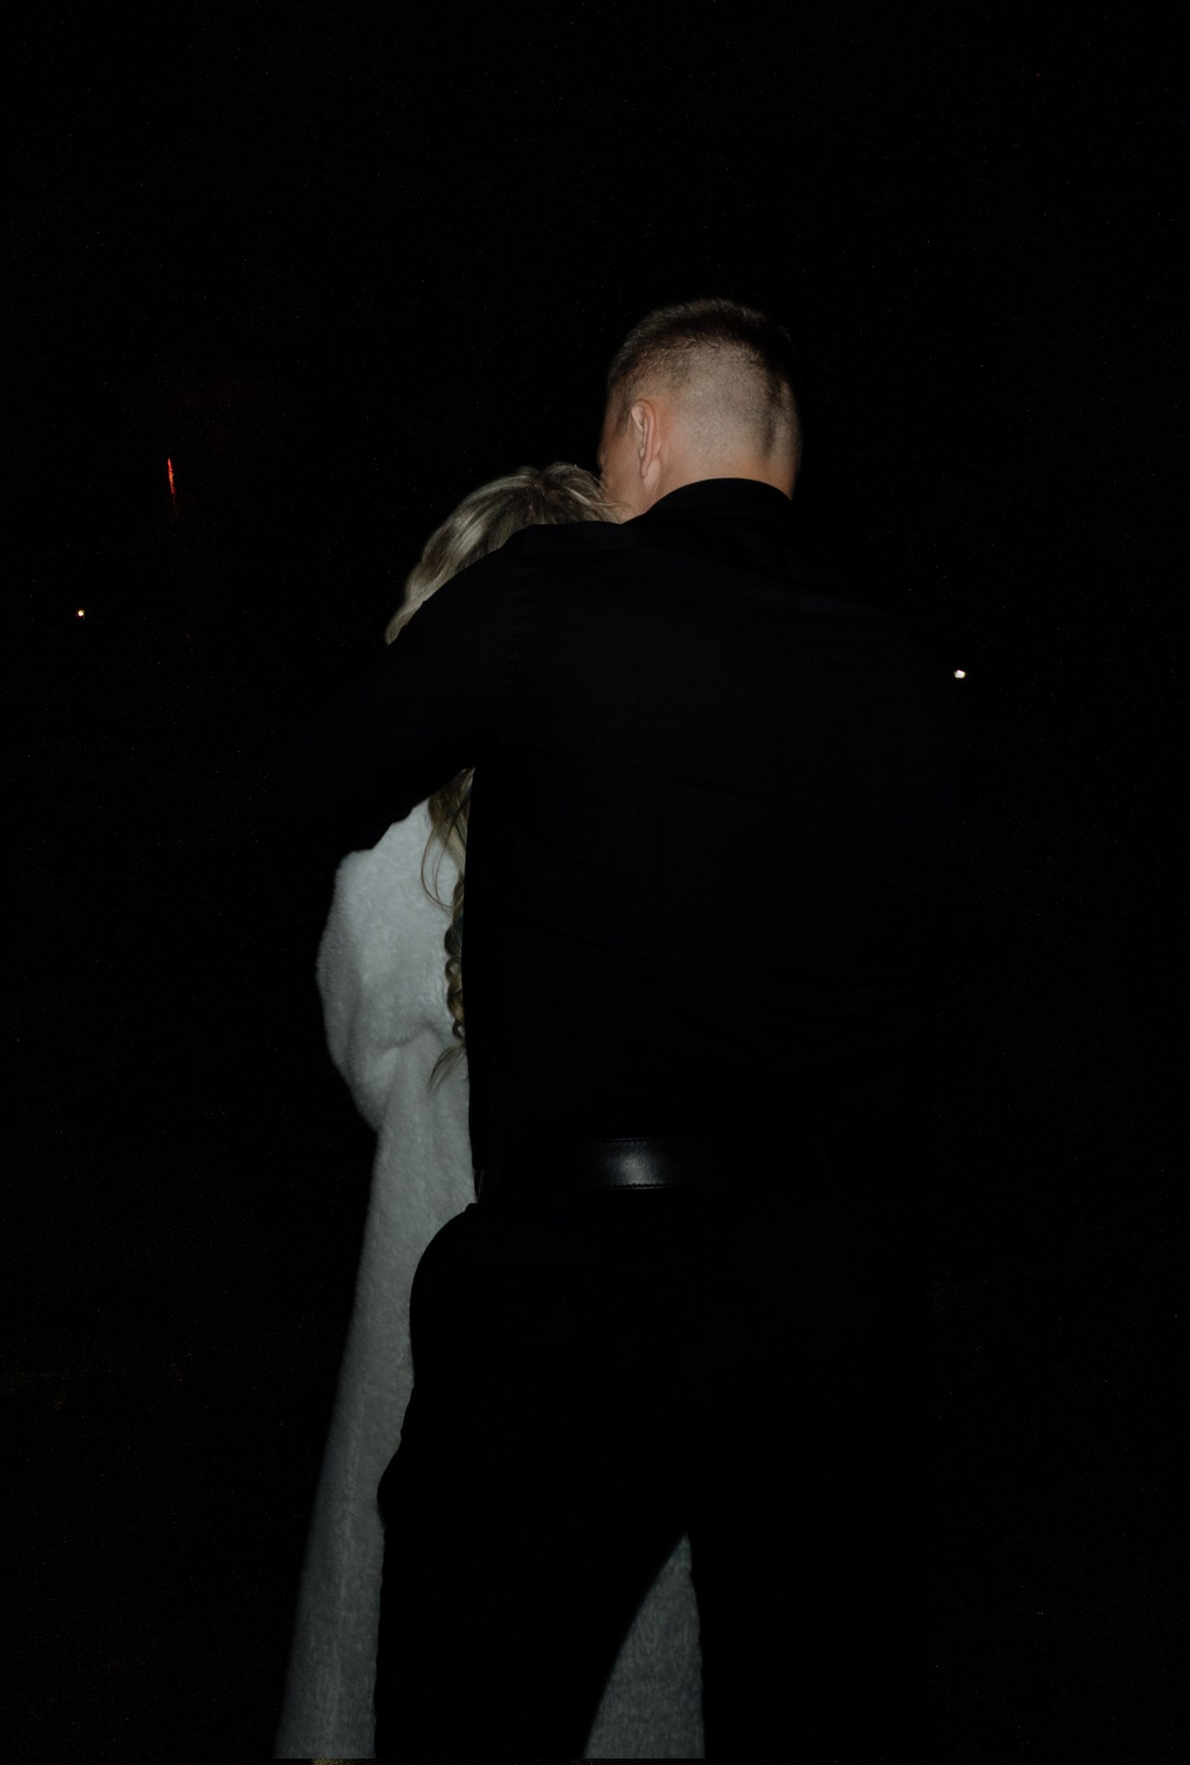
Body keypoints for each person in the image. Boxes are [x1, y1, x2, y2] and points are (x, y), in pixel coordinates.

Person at [273, 303, 962, 1761]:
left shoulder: (557, 597)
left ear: (641, 436)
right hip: (830, 1306)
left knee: (469, 1700)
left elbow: (325, 774)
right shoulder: (901, 674)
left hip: (581, 1287)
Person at [276, 468, 702, 1764]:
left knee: (413, 1627)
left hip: (437, 1255)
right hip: (638, 1283)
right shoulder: (681, 825)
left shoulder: (403, 838)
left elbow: (364, 1043)